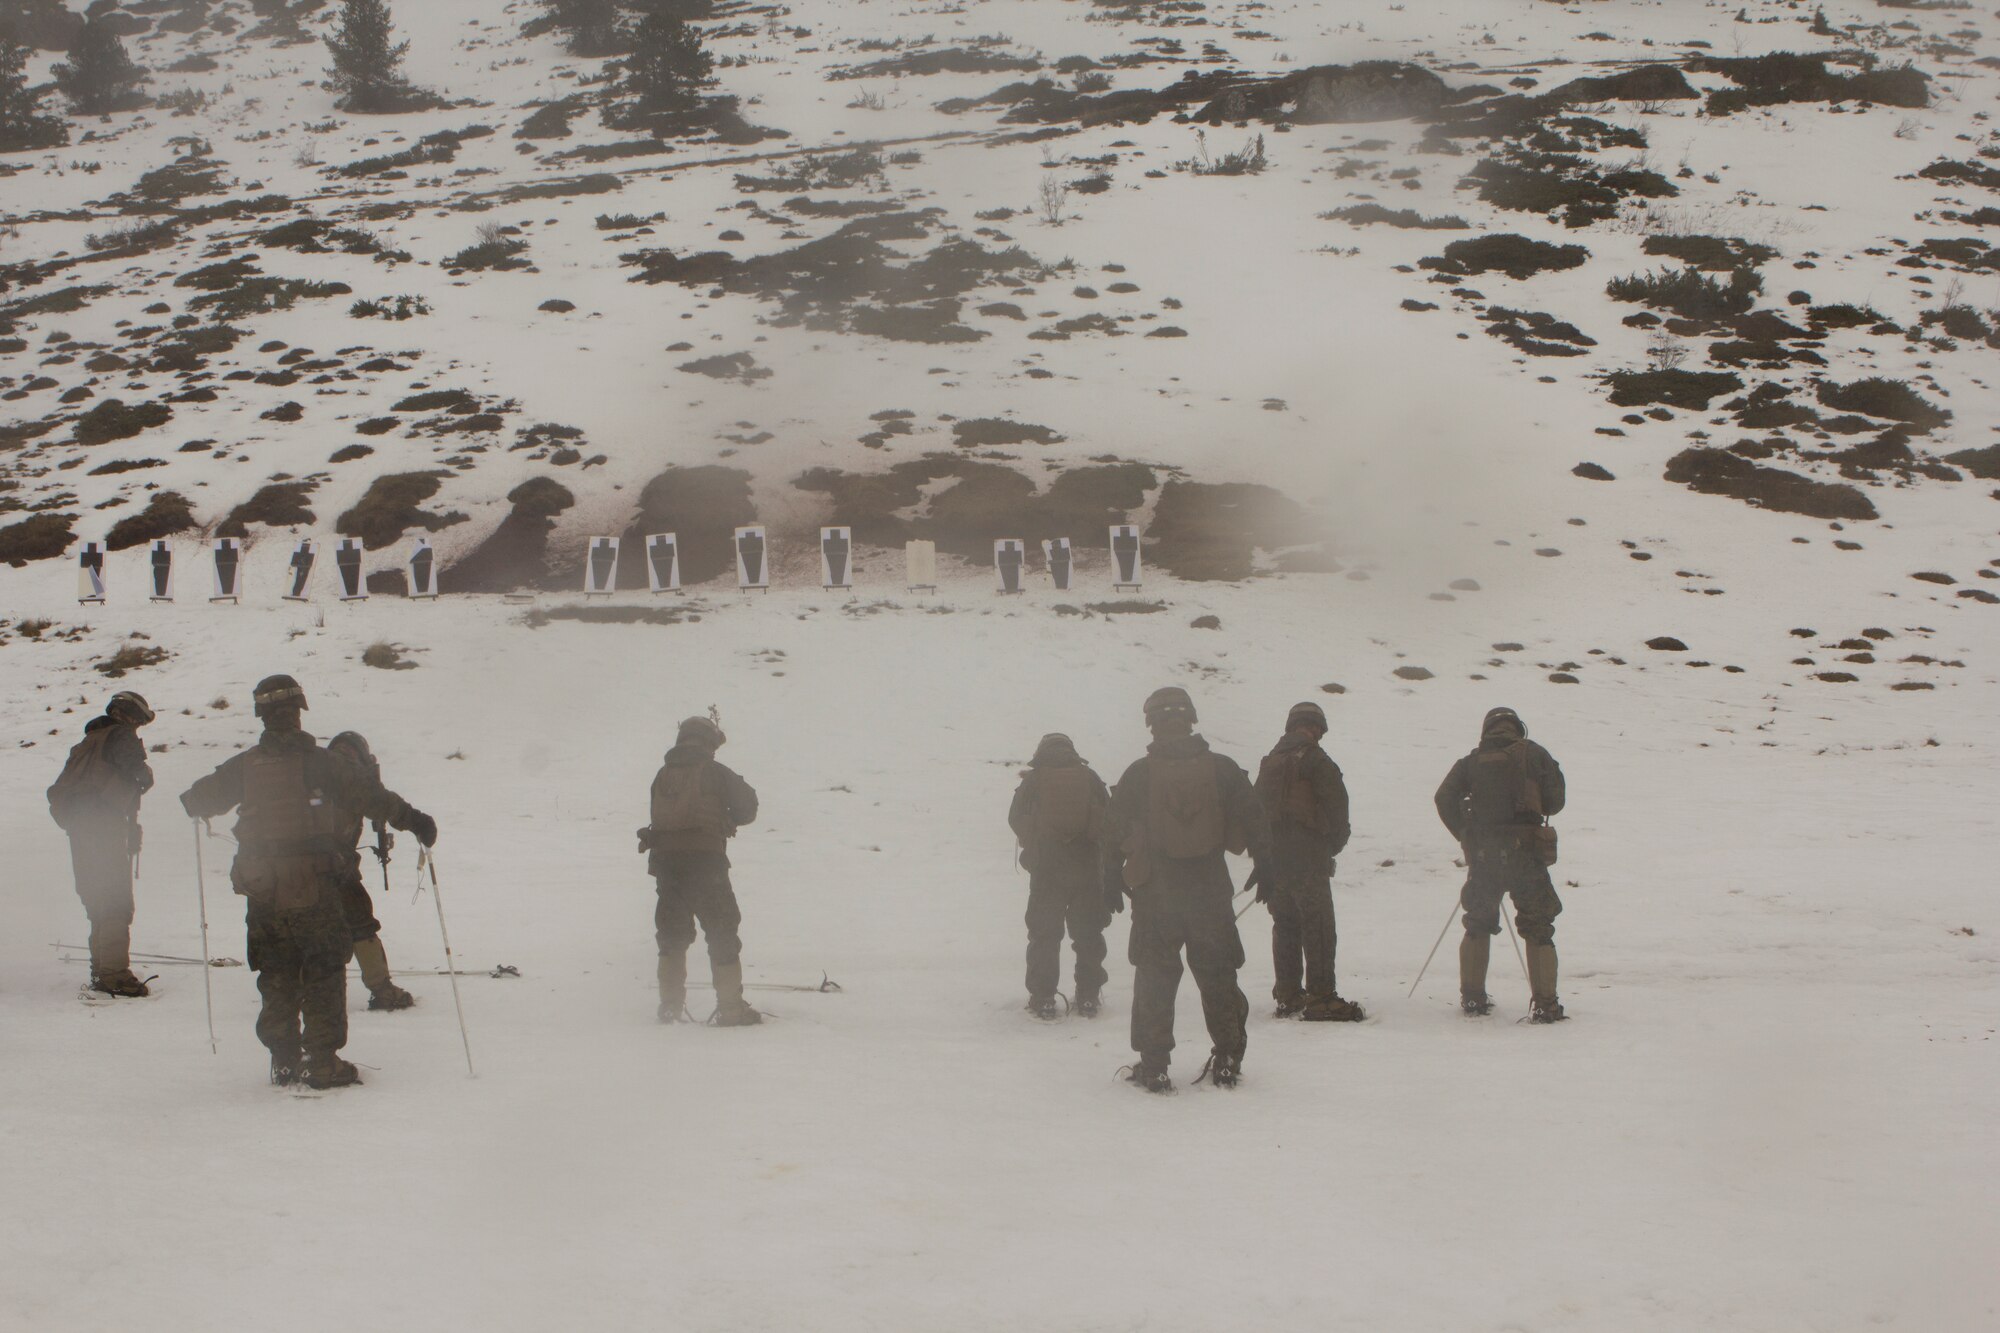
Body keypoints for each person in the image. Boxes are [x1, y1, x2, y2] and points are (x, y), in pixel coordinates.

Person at [180, 676, 432, 1088]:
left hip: (263, 890)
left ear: (262, 715)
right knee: (323, 969)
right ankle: (322, 1061)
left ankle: (283, 1060)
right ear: (299, 711)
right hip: (314, 886)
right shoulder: (321, 762)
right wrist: (416, 821)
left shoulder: (245, 765)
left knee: (276, 970)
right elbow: (372, 797)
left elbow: (196, 799)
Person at [1102, 687, 1271, 1092]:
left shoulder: (1138, 774)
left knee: (1155, 978)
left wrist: (1110, 880)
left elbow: (1109, 833)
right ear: (1190, 718)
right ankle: (1228, 1058)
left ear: (1151, 722)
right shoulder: (1223, 769)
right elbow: (1257, 821)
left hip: (1156, 894)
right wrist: (1268, 869)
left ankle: (1155, 1065)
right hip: (1210, 890)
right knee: (1218, 975)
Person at [1433, 707, 1568, 1022]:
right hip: (1527, 856)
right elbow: (1556, 803)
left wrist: (1465, 834)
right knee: (1538, 927)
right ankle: (1546, 1005)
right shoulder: (1535, 754)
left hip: (1484, 856)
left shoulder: (1471, 761)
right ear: (1516, 728)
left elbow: (1443, 798)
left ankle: (1473, 999)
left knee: (1477, 923)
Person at [639, 715, 761, 1026]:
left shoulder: (662, 775)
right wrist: (728, 818)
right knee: (722, 932)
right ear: (708, 742)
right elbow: (748, 806)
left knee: (671, 937)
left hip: (666, 867)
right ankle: (731, 1008)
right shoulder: (716, 772)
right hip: (707, 864)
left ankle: (669, 1007)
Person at [1253, 701, 1361, 1022]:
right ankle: (1322, 997)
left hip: (1274, 860)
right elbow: (1338, 807)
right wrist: (1332, 846)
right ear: (1315, 727)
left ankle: (1288, 995)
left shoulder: (1270, 761)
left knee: (1285, 924)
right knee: (1318, 926)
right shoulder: (1316, 759)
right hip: (1308, 857)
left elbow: (1254, 810)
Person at [46, 691, 157, 997]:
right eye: (139, 721)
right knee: (115, 899)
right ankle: (114, 974)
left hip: (80, 829)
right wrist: (145, 775)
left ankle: (102, 968)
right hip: (104, 827)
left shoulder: (87, 743)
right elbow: (139, 775)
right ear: (131, 716)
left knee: (96, 897)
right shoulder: (121, 737)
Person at [325, 732, 437, 1012]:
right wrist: (416, 822)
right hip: (334, 867)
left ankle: (298, 992)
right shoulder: (348, 775)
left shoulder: (313, 769)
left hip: (289, 865)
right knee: (360, 922)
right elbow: (378, 801)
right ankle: (382, 990)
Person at [1008, 733, 1112, 1020]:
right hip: (1087, 867)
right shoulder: (1089, 777)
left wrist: (1036, 843)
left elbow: (1015, 816)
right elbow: (1108, 816)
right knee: (1088, 934)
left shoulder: (1035, 779)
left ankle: (1043, 998)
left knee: (1045, 935)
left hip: (1047, 870)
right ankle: (1088, 996)